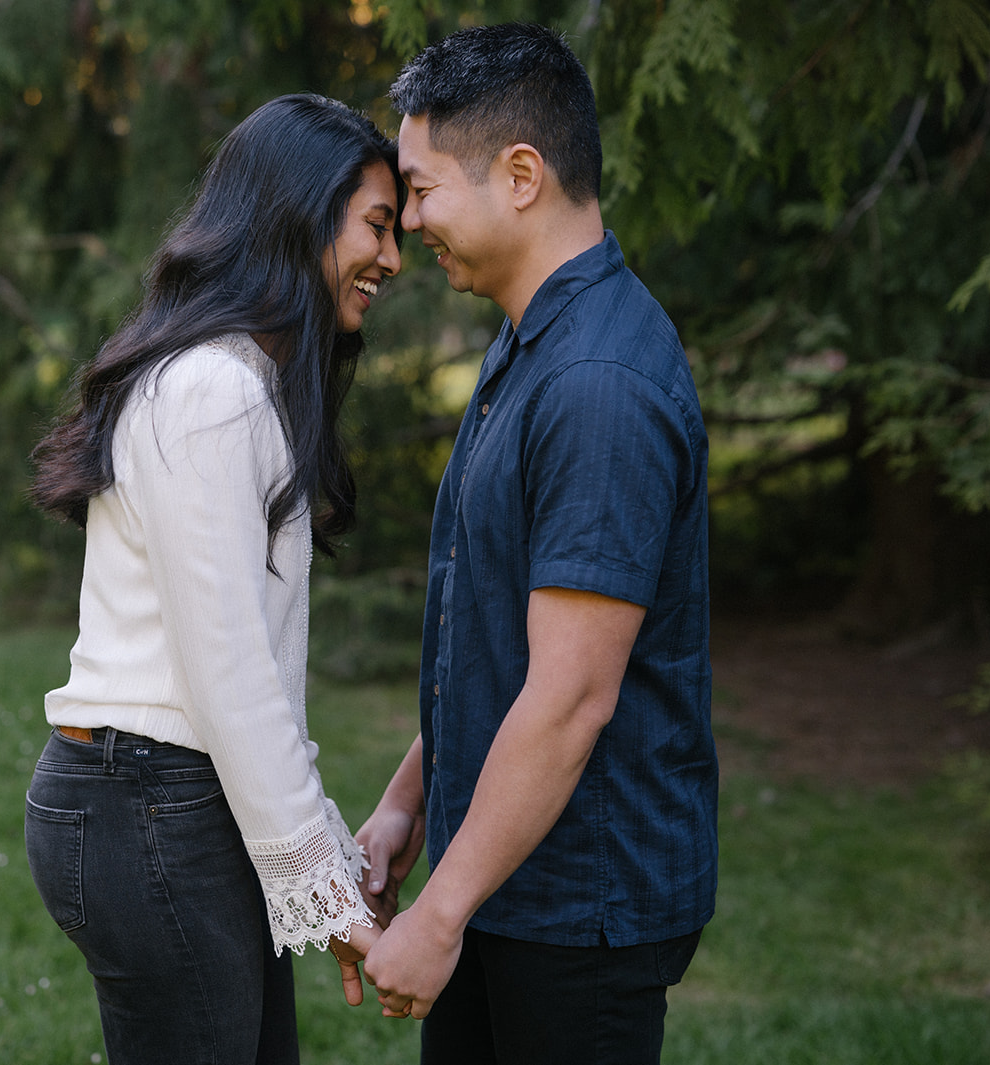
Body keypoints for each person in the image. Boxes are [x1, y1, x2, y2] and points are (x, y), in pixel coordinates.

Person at [348, 23, 717, 1065]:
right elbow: (493, 637)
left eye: (420, 191)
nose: (408, 221)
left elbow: (568, 698)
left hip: (577, 909)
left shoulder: (598, 384)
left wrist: (437, 913)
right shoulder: (529, 339)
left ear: (520, 175)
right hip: (504, 884)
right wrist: (405, 806)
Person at [24, 93, 402, 1065]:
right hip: (147, 804)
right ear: (301, 215)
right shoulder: (212, 391)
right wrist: (327, 891)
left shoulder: (234, 381)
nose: (392, 260)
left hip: (172, 801)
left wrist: (321, 854)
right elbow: (229, 677)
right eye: (376, 225)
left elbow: (254, 682)